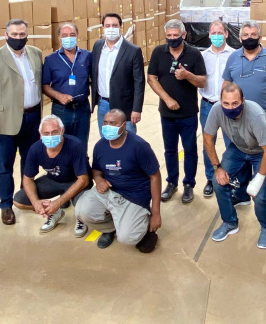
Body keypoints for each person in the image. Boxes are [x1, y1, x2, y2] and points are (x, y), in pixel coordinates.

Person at [0, 19, 44, 226]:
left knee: (29, 162)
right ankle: (6, 205)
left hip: (32, 117)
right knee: (5, 165)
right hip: (5, 121)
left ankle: (26, 197)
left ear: (27, 35)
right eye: (14, 35)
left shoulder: (35, 53)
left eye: (22, 34)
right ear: (6, 35)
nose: (18, 38)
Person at [204, 83, 266, 249]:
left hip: (265, 150)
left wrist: (258, 180)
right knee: (218, 182)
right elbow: (207, 139)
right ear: (221, 101)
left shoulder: (255, 115)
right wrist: (217, 168)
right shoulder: (216, 110)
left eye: (235, 103)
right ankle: (230, 222)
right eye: (226, 103)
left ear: (243, 101)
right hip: (239, 147)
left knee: (260, 194)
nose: (230, 107)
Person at [75, 109, 161, 253]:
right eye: (106, 123)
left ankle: (144, 226)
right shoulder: (100, 146)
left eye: (113, 123)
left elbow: (155, 177)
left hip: (134, 196)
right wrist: (98, 179)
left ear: (124, 125)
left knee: (127, 238)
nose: (108, 127)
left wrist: (156, 214)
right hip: (109, 191)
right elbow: (96, 169)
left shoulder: (139, 146)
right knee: (82, 211)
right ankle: (110, 228)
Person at [148, 19, 207, 204]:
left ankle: (189, 185)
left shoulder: (194, 54)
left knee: (190, 150)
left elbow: (202, 82)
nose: (172, 39)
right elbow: (151, 78)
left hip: (189, 114)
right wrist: (167, 99)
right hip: (167, 114)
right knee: (170, 150)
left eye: (176, 36)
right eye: (169, 36)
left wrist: (187, 75)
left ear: (184, 35)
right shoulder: (159, 52)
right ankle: (171, 183)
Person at [13, 115, 89, 237]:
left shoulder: (76, 145)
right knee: (19, 200)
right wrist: (36, 202)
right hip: (53, 180)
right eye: (46, 133)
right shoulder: (36, 148)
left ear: (62, 131)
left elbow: (83, 180)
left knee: (85, 209)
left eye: (54, 132)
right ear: (40, 135)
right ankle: (54, 213)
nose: (50, 136)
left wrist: (58, 202)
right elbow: (27, 179)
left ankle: (81, 218)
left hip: (75, 181)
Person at [222, 20, 266, 132]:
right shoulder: (233, 57)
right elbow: (226, 84)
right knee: (240, 147)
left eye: (253, 34)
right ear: (240, 38)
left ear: (260, 37)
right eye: (246, 35)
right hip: (239, 114)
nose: (249, 38)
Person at [91, 13, 144, 134]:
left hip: (124, 105)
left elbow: (139, 82)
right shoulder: (98, 46)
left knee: (127, 140)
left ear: (121, 27)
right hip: (102, 103)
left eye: (114, 25)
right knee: (105, 138)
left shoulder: (133, 50)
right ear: (102, 27)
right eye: (107, 25)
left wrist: (136, 109)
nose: (111, 29)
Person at [199, 20, 235, 198]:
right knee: (208, 144)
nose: (217, 36)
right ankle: (211, 177)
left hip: (228, 107)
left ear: (226, 34)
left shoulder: (235, 55)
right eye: (213, 33)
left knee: (232, 143)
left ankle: (231, 176)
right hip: (207, 105)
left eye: (220, 32)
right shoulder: (202, 56)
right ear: (209, 34)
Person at [42, 22, 92, 143]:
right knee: (62, 145)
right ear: (59, 39)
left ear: (77, 36)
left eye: (72, 34)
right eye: (64, 35)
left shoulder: (87, 56)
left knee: (81, 145)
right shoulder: (51, 59)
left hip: (83, 109)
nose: (68, 38)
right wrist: (59, 96)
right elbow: (44, 86)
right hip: (61, 110)